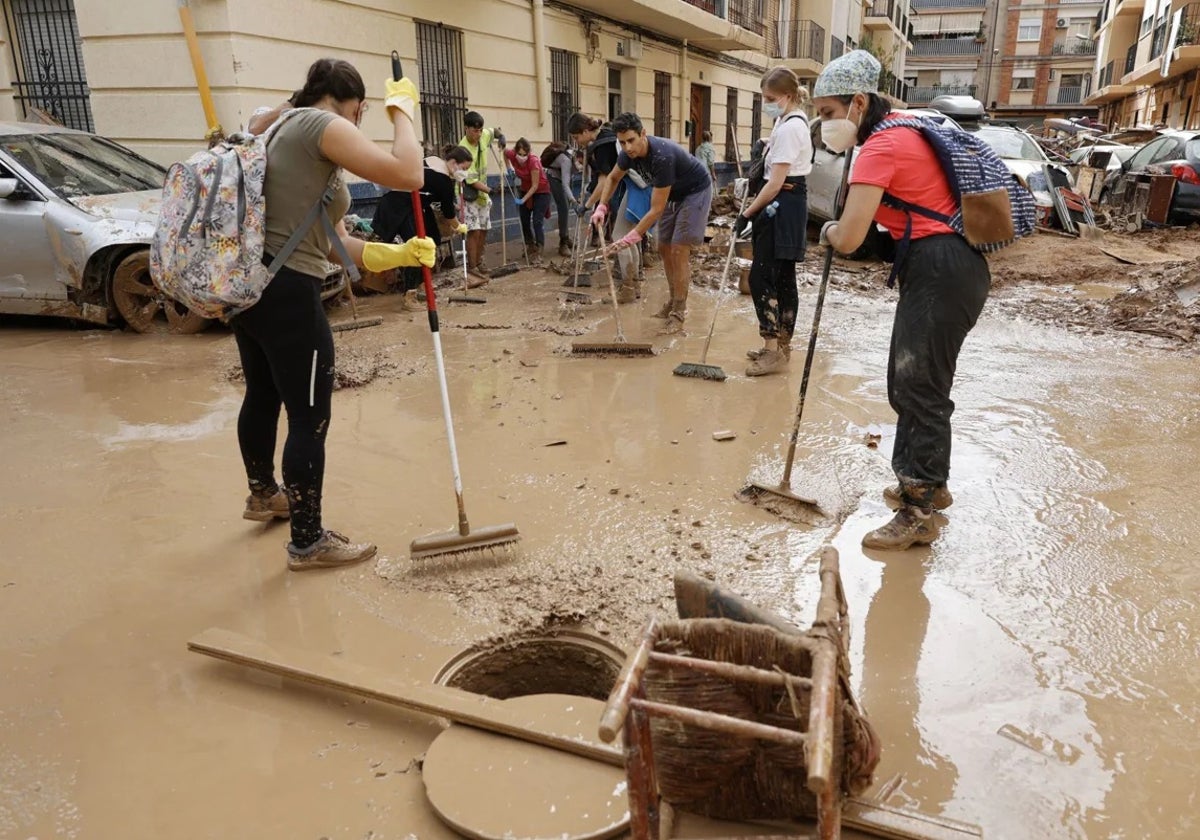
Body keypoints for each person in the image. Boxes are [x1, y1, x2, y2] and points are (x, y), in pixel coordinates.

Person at [233, 58, 433, 570]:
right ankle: (308, 541)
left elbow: (331, 243)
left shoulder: (281, 127)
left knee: (263, 393)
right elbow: (410, 173)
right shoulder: (324, 125)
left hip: (252, 286)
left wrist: (394, 253)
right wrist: (404, 114)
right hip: (288, 293)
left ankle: (264, 495)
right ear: (357, 107)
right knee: (309, 416)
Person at [812, 50, 989, 551]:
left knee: (918, 388)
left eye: (828, 112)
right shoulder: (906, 128)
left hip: (939, 268)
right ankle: (929, 483)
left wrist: (826, 229)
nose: (824, 124)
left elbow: (848, 237)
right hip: (951, 266)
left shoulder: (881, 146)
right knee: (913, 380)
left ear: (859, 102)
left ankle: (918, 512)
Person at [594, 112, 713, 332]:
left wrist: (633, 235)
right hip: (672, 194)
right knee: (663, 247)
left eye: (631, 140)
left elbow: (656, 209)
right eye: (622, 142)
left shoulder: (662, 156)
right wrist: (602, 206)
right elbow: (612, 178)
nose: (628, 147)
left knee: (679, 249)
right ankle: (672, 300)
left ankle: (679, 312)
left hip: (696, 191)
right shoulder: (627, 155)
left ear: (643, 134)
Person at [735, 67, 812, 377]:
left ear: (788, 97)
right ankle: (779, 347)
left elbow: (775, 182)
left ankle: (773, 350)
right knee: (779, 277)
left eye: (770, 98)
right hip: (783, 203)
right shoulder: (786, 122)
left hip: (782, 205)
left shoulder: (792, 127)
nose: (766, 103)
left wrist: (748, 213)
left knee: (763, 277)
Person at [372, 145, 473, 310]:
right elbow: (448, 214)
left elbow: (433, 193)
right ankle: (409, 296)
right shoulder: (444, 180)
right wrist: (459, 226)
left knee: (433, 238)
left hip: (417, 205)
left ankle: (420, 285)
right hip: (400, 206)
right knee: (418, 249)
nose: (465, 173)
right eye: (464, 168)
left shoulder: (434, 160)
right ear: (454, 162)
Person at [568, 113, 639, 302]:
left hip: (627, 190)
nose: (577, 142)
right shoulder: (607, 135)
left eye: (576, 138)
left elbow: (605, 181)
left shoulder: (602, 146)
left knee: (620, 238)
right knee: (629, 237)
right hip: (637, 188)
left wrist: (588, 205)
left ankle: (629, 289)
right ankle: (634, 283)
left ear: (585, 131)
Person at [458, 111, 496, 282]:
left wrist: (500, 137)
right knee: (473, 231)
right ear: (466, 128)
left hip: (483, 194)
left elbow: (493, 131)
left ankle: (480, 262)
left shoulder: (484, 135)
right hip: (468, 194)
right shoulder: (463, 149)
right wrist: (490, 190)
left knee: (484, 229)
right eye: (475, 131)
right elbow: (471, 180)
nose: (479, 134)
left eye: (480, 131)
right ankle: (472, 267)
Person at [504, 137, 553, 265]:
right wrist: (509, 168)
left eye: (524, 154)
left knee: (537, 221)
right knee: (524, 219)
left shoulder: (533, 162)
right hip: (525, 189)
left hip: (541, 191)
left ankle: (539, 250)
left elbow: (535, 185)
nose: (521, 157)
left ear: (528, 153)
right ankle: (530, 245)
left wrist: (522, 199)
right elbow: (505, 153)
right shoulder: (512, 155)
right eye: (519, 154)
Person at [542, 141, 578, 257]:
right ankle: (563, 242)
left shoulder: (584, 157)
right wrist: (573, 199)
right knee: (564, 208)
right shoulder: (567, 161)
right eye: (580, 164)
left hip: (566, 178)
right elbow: (565, 185)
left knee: (567, 206)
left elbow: (586, 177)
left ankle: (566, 237)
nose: (581, 166)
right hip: (555, 178)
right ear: (578, 158)